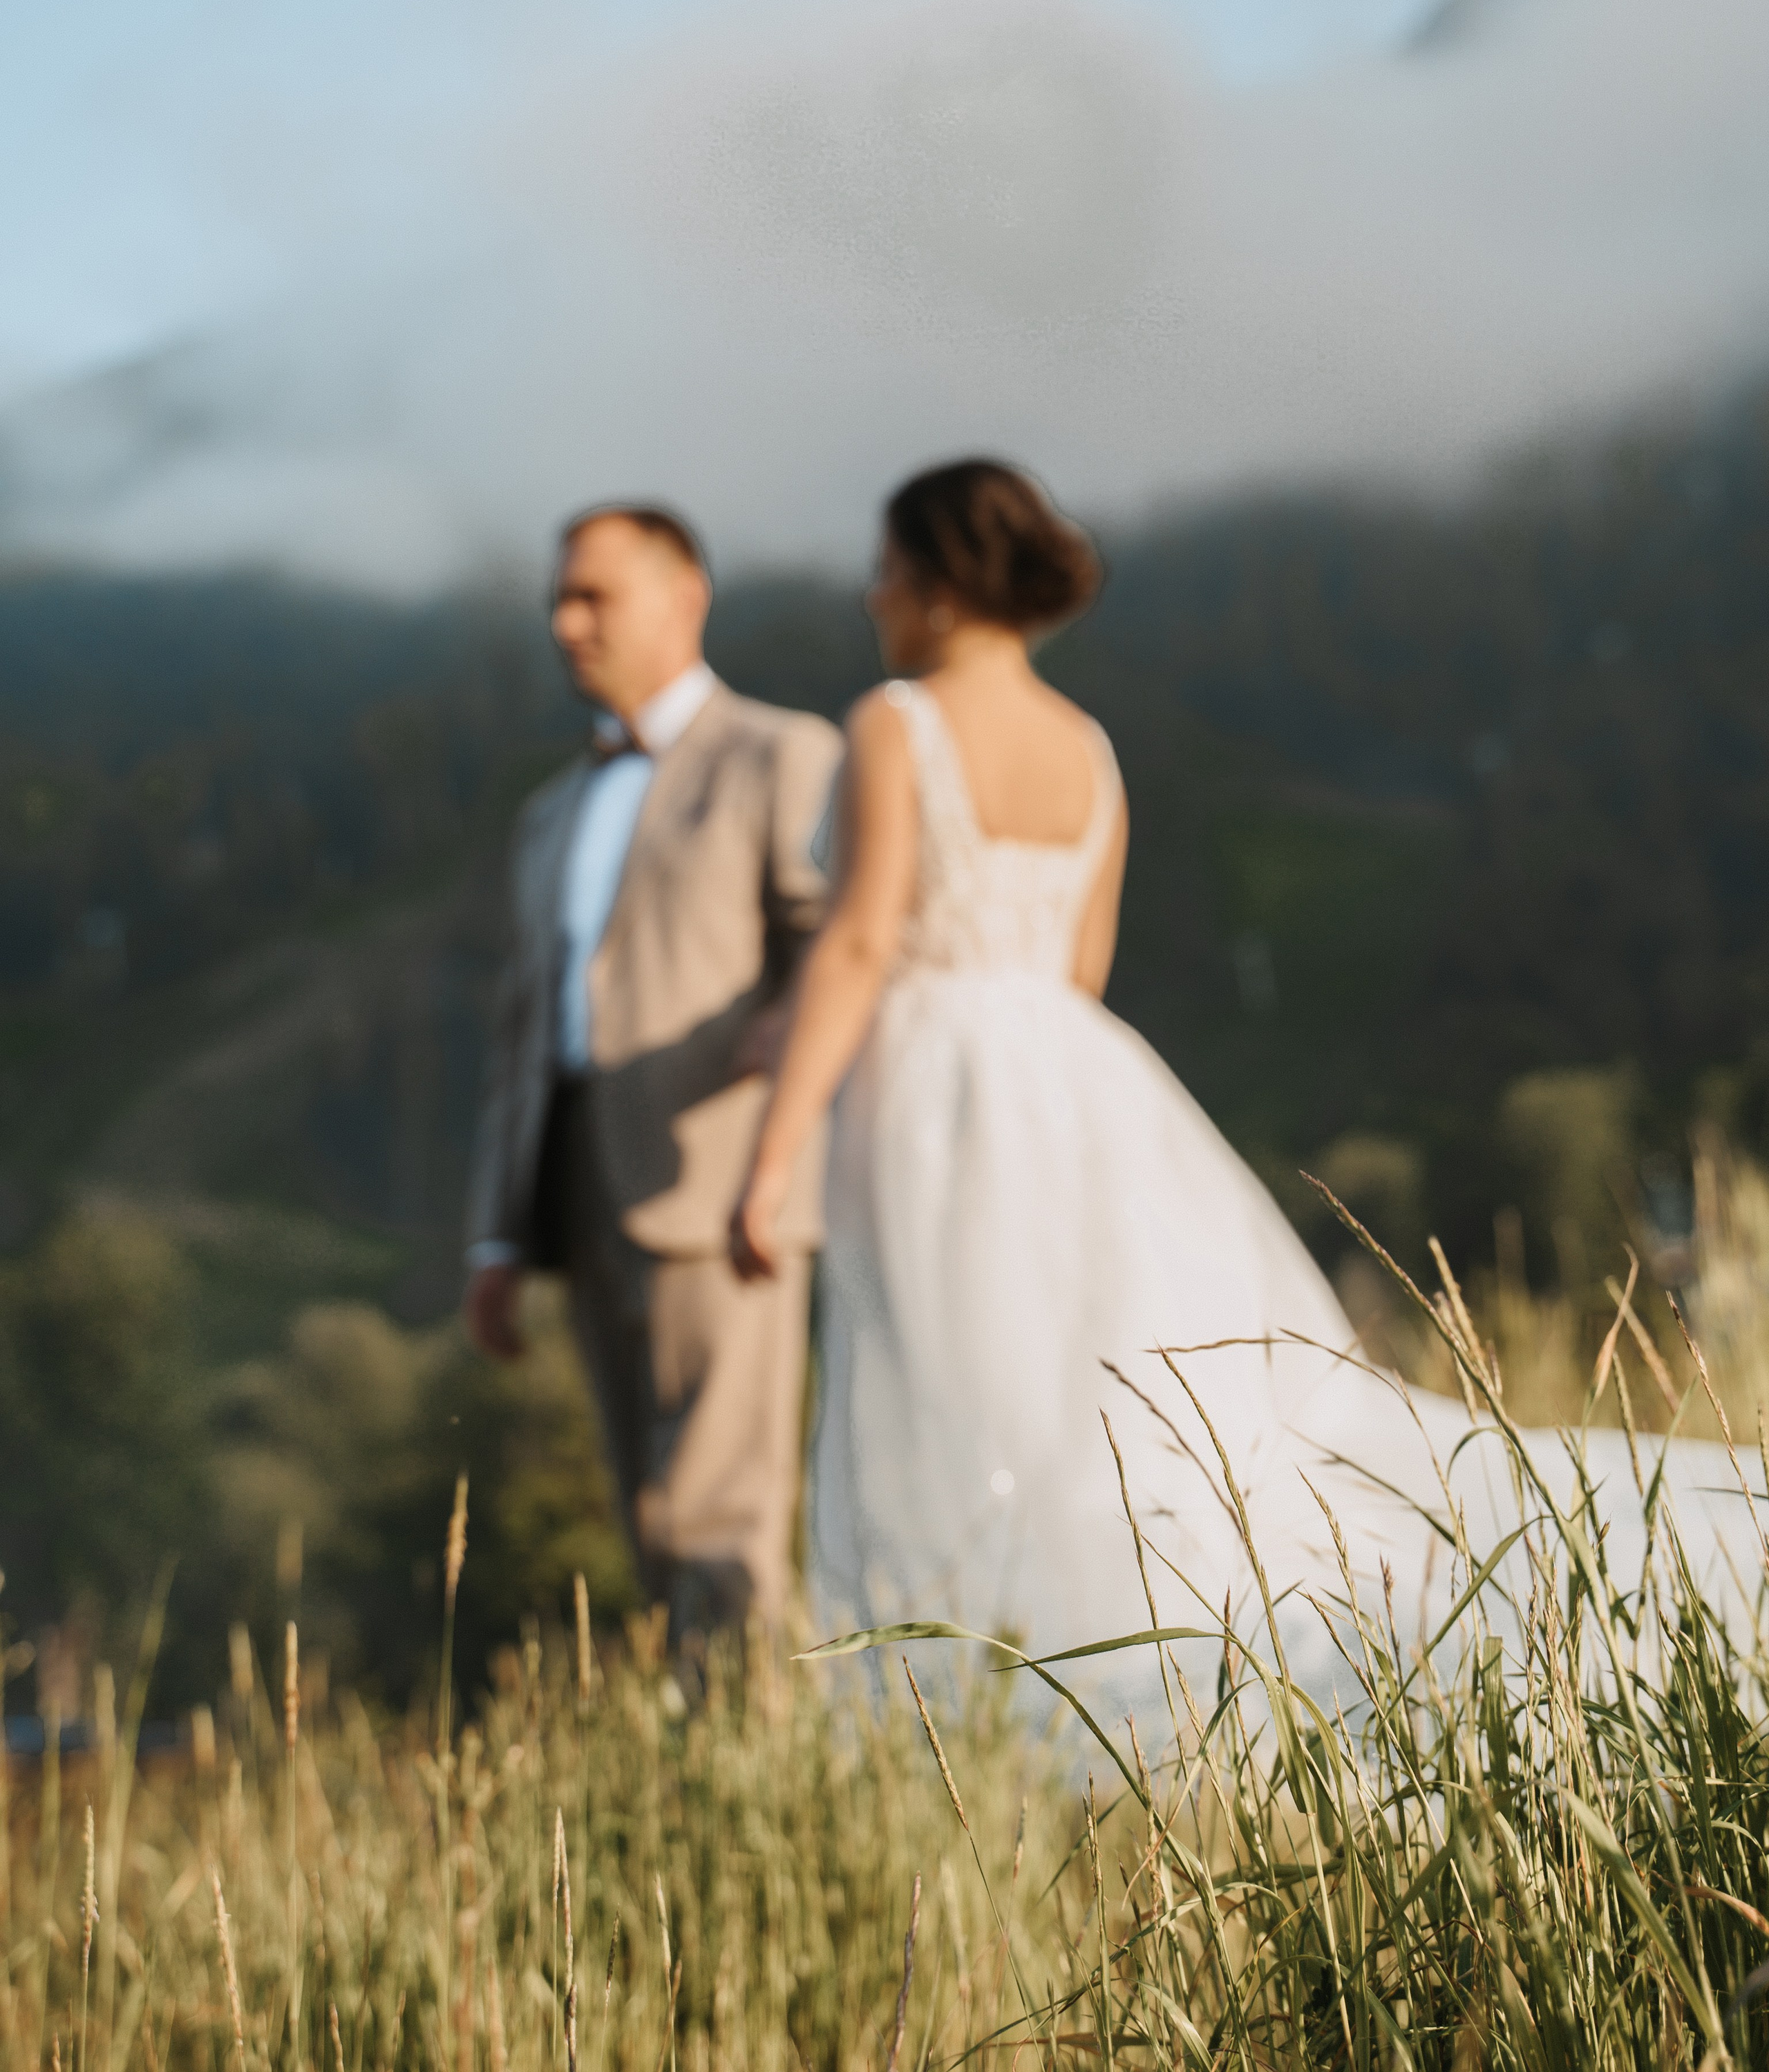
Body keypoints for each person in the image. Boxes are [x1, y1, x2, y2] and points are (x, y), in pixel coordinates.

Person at [731, 460, 1748, 1693]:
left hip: (933, 1090)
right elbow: (1082, 963)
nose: (872, 591)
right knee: (1083, 1371)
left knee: (949, 1373)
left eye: (890, 566)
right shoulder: (1087, 749)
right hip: (1077, 1083)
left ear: (943, 582)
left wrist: (775, 1151)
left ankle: (973, 1666)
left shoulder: (895, 723)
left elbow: (854, 942)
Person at [466, 505, 842, 1650]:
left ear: (686, 598)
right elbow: (523, 1025)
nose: (566, 622)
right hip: (574, 1185)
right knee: (644, 1514)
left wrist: (779, 1095)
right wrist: (496, 1235)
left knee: (719, 1507)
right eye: (558, 600)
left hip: (721, 1175)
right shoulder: (552, 810)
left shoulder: (783, 755)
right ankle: (698, 1778)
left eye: (595, 596)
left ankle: (754, 1786)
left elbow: (832, 940)